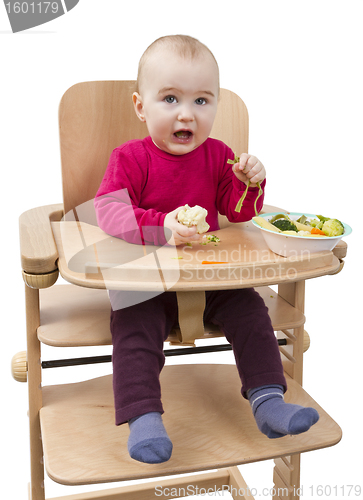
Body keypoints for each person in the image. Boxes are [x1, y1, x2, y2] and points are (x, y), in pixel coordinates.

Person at [94, 34, 319, 465]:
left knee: (252, 313)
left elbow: (238, 213)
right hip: (148, 281)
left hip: (212, 276)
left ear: (215, 106)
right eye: (171, 99)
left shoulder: (218, 155)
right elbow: (108, 212)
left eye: (202, 101)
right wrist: (161, 226)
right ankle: (143, 419)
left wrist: (249, 182)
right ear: (141, 107)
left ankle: (269, 402)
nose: (186, 113)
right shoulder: (130, 158)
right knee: (133, 329)